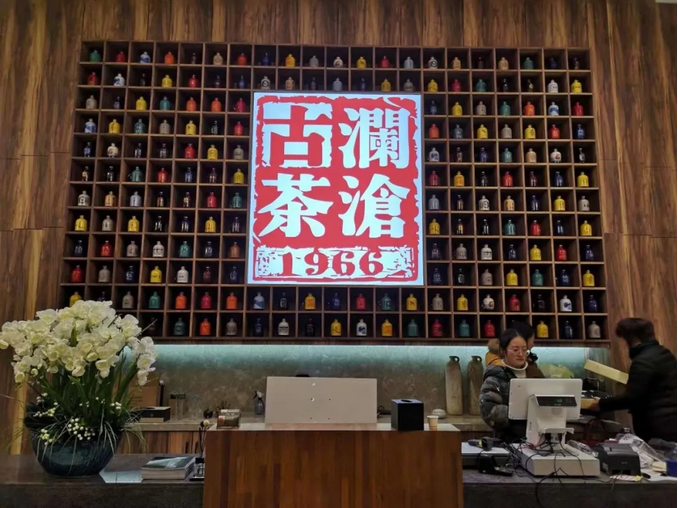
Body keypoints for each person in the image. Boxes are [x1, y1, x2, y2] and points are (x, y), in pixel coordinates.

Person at [590, 318, 677, 442]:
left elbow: (631, 398)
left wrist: (600, 404)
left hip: (656, 426)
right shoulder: (664, 353)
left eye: (624, 339)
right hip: (671, 421)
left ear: (633, 339)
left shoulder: (643, 361)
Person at [479, 328, 543, 442]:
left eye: (524, 350)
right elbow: (489, 413)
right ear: (503, 351)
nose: (520, 354)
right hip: (508, 442)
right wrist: (522, 413)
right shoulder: (494, 377)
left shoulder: (535, 373)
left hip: (540, 439)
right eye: (515, 350)